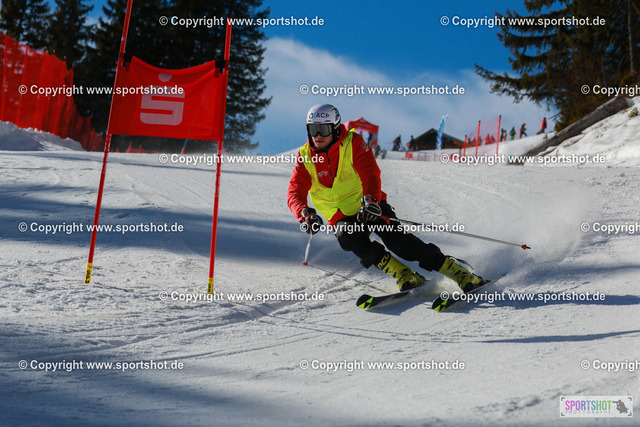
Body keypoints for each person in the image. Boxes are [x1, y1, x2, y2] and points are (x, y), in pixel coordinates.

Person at [287, 104, 485, 293]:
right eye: (313, 130)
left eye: (323, 129)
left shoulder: (353, 143)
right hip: (340, 214)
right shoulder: (306, 156)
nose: (318, 136)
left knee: (399, 244)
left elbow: (370, 173)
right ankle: (404, 274)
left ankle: (458, 271)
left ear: (336, 128)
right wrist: (304, 215)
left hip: (368, 205)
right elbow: (295, 191)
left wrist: (371, 200)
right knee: (348, 237)